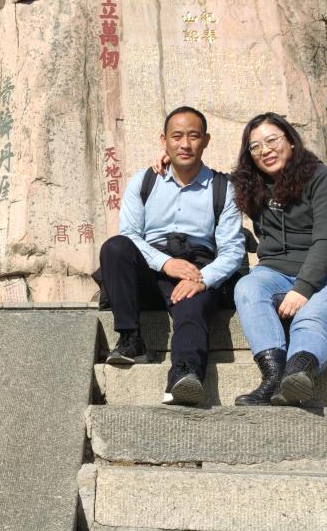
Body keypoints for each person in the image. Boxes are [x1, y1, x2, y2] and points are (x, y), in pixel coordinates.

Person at [99, 106, 245, 405]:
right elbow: (129, 235)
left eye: (193, 136)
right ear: (163, 140)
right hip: (149, 273)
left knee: (193, 304)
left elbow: (232, 249)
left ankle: (184, 375)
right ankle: (130, 340)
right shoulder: (144, 182)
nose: (185, 144)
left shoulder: (223, 188)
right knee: (115, 246)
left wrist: (203, 278)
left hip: (196, 268)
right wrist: (166, 262)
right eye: (177, 136)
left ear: (206, 140)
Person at [230, 112, 327, 406]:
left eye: (272, 140)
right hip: (274, 272)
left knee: (309, 317)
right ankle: (274, 378)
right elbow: (204, 181)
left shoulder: (322, 178)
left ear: (290, 141)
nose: (265, 150)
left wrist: (303, 289)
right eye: (255, 146)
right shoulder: (250, 185)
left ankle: (297, 376)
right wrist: (171, 164)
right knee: (248, 287)